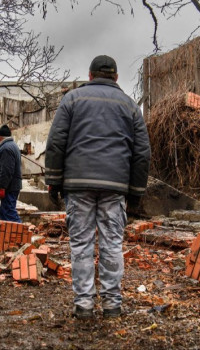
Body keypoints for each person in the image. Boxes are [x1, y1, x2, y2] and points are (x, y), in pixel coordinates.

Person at [45, 55, 151, 319]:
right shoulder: (129, 106)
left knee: (81, 244)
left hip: (78, 185)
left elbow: (56, 142)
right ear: (116, 78)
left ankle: (84, 304)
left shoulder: (71, 100)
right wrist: (136, 193)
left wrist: (54, 182)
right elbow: (142, 153)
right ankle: (112, 304)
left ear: (90, 76)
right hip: (115, 186)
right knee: (112, 243)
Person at [0, 124, 22, 222]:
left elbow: (6, 171)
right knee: (5, 212)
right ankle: (12, 236)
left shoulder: (6, 148)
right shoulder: (12, 146)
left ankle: (23, 234)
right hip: (12, 185)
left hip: (9, 187)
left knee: (8, 213)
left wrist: (1, 187)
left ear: (0, 136)